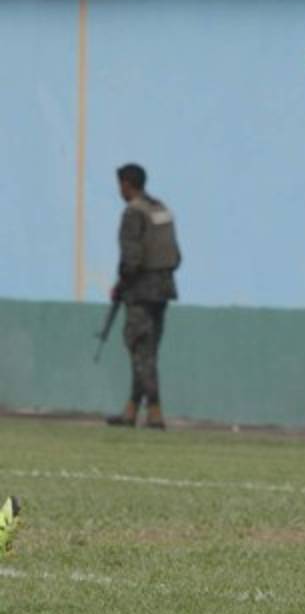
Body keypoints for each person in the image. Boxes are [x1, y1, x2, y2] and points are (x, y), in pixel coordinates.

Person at [105, 163, 182, 430]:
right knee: (148, 351)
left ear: (127, 184)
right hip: (163, 288)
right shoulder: (160, 209)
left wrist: (121, 285)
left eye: (120, 184)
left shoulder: (133, 213)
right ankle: (131, 410)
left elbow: (131, 259)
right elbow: (176, 255)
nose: (119, 190)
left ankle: (155, 412)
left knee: (140, 350)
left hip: (140, 290)